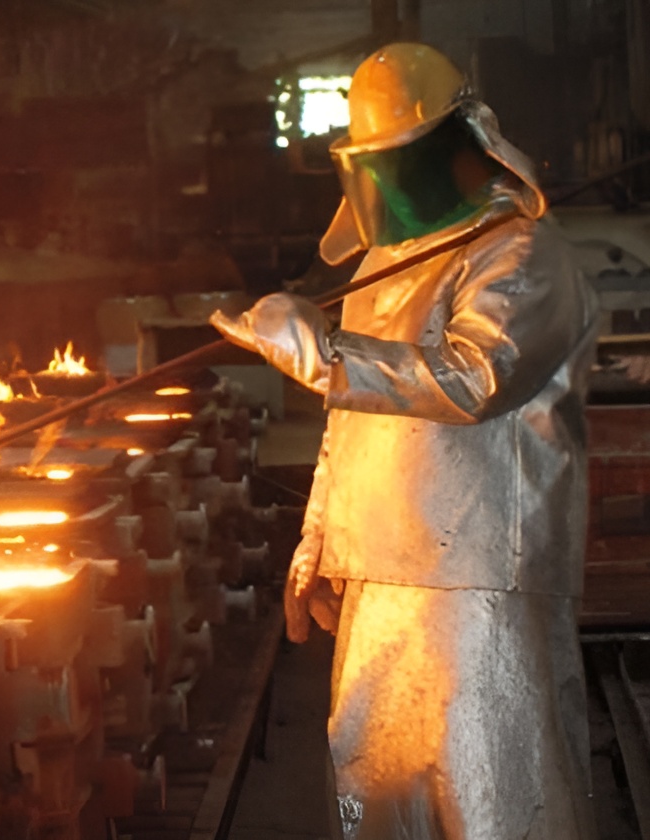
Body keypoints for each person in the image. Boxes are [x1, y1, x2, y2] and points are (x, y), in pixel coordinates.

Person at [209, 43, 595, 839]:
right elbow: (352, 419)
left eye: (404, 157)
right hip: (382, 580)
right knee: (372, 805)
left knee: (494, 804)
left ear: (463, 140)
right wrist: (323, 538)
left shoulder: (522, 253)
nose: (393, 179)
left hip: (481, 585)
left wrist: (324, 354)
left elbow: (475, 378)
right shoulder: (382, 263)